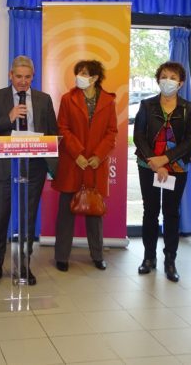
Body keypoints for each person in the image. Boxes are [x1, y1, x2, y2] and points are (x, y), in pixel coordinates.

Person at [0, 55, 58, 287]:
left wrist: (53, 168)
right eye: (19, 76)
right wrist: (8, 118)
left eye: (27, 77)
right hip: (4, 166)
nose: (23, 81)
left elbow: (52, 133)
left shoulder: (43, 100)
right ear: (10, 75)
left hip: (33, 168)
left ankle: (24, 266)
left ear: (33, 77)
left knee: (27, 219)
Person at [133, 61, 191, 282]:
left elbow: (190, 140)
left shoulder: (189, 108)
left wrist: (167, 159)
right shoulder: (146, 105)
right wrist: (155, 162)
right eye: (164, 76)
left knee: (171, 212)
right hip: (148, 165)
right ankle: (148, 258)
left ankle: (170, 260)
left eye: (173, 77)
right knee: (150, 211)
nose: (167, 80)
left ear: (180, 83)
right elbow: (139, 136)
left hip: (177, 167)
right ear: (158, 79)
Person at [52, 60, 117, 272]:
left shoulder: (108, 101)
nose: (80, 76)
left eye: (85, 73)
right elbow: (63, 128)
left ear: (95, 77)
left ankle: (97, 255)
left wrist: (98, 155)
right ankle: (62, 256)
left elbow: (111, 132)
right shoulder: (67, 99)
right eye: (78, 72)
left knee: (94, 211)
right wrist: (77, 153)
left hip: (95, 165)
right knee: (65, 212)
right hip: (73, 162)